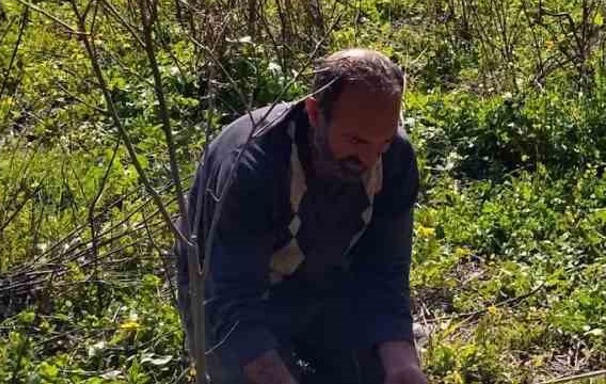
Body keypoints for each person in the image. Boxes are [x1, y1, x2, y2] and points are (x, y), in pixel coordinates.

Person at [175, 49, 426, 384]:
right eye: (355, 140)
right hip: (225, 289)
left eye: (381, 143)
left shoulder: (394, 159)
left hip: (320, 276)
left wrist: (402, 365)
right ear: (313, 112)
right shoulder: (253, 167)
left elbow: (384, 272)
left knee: (377, 370)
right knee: (243, 369)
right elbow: (230, 302)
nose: (368, 158)